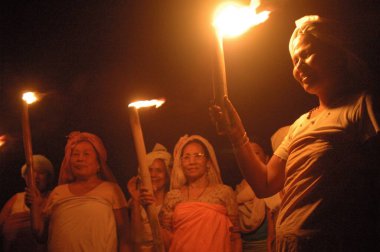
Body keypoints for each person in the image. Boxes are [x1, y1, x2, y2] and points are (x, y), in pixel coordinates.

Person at [210, 15, 379, 251]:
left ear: (335, 53)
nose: (299, 67)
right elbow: (265, 184)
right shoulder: (301, 124)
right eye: (294, 60)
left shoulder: (362, 106)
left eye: (307, 54)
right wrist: (236, 134)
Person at [27, 131, 131, 252]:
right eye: (75, 154)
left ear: (98, 164)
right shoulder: (58, 192)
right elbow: (40, 235)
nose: (80, 159)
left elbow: (125, 237)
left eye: (86, 154)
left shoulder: (111, 190)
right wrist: (34, 207)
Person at [159, 134, 242, 252]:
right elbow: (165, 238)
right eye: (186, 157)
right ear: (181, 163)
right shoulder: (173, 196)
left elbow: (235, 236)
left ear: (208, 162)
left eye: (197, 156)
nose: (192, 162)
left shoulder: (224, 193)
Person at [0, 155, 55, 252]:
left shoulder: (55, 197)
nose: (36, 176)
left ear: (48, 177)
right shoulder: (16, 198)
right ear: (25, 177)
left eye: (41, 172)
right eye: (31, 172)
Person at [235, 142, 281, 252]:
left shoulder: (272, 186)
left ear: (266, 158)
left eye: (256, 153)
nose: (251, 157)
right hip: (244, 246)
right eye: (247, 154)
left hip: (266, 246)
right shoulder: (238, 189)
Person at [127, 143, 172, 252]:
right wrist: (136, 200)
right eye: (149, 170)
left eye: (159, 171)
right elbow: (135, 238)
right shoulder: (135, 201)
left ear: (166, 176)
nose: (153, 175)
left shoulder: (173, 199)